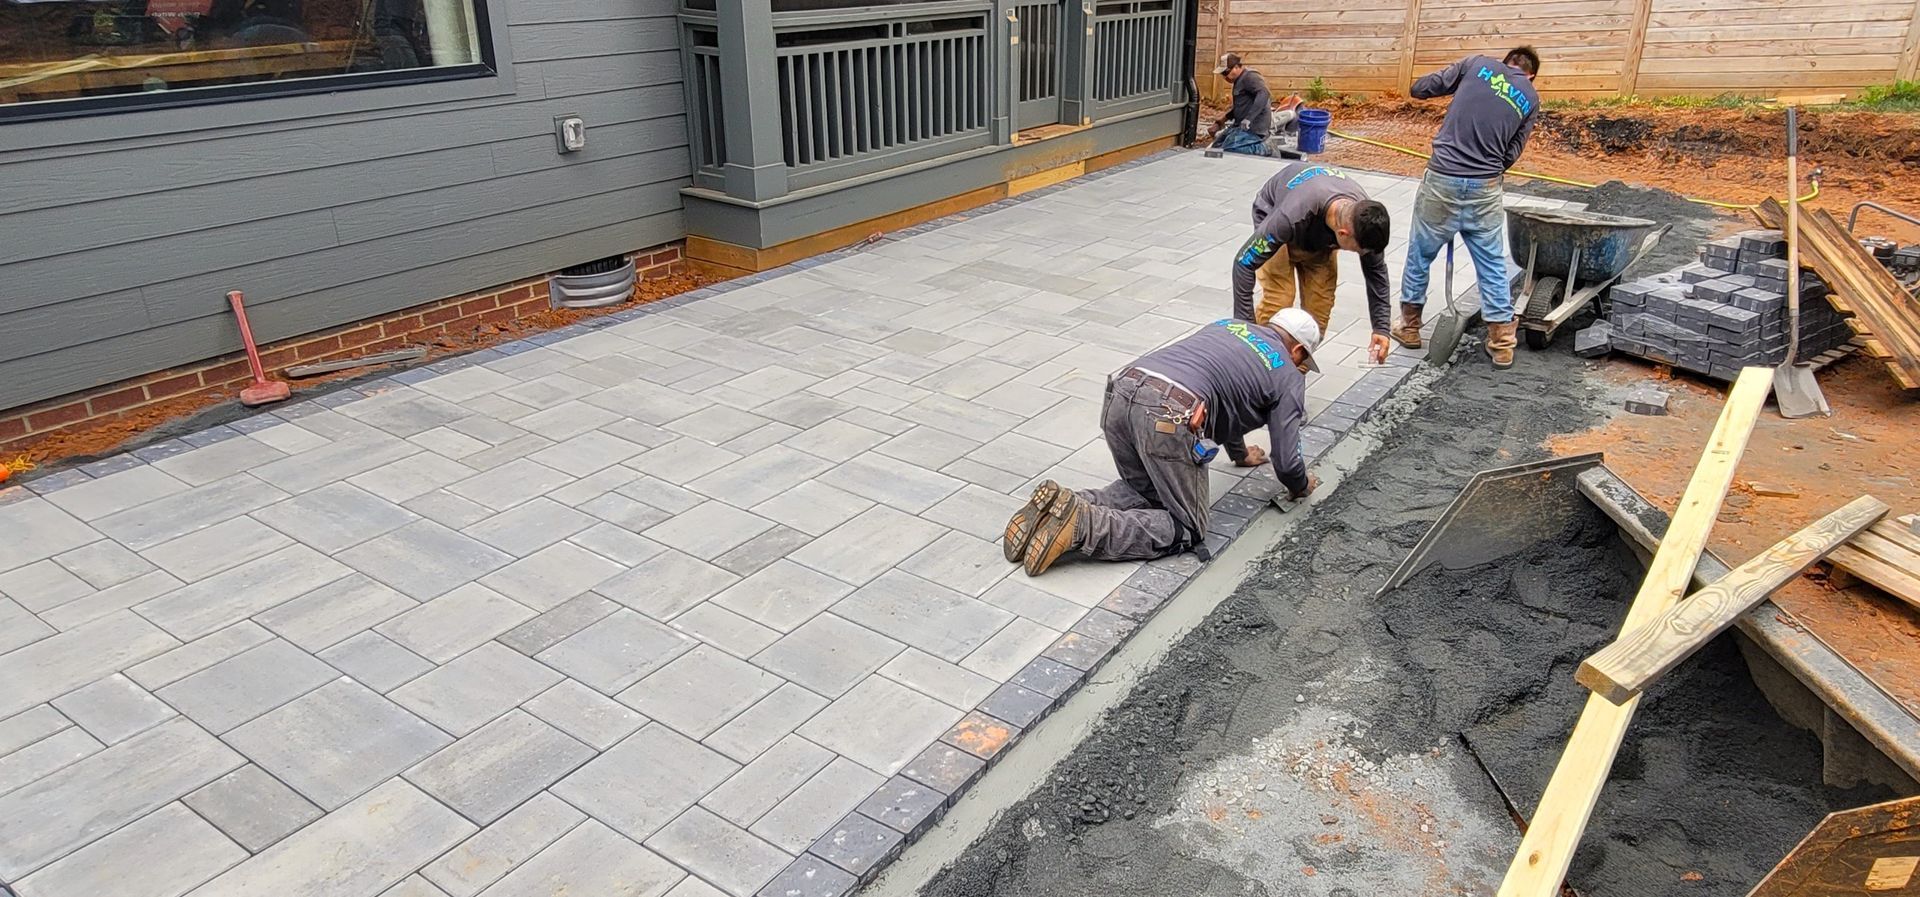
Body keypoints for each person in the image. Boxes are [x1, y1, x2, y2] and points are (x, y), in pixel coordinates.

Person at [1004, 309, 1323, 576]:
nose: (1303, 368)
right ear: (1297, 350)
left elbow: (1230, 398)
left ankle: (1060, 505)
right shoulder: (1288, 375)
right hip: (1169, 415)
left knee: (1144, 491)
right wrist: (1300, 485)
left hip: (1123, 392)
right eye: (1305, 361)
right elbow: (1286, 459)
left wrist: (1239, 454)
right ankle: (1083, 524)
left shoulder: (1229, 326)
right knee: (1189, 526)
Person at [1392, 46, 1542, 370]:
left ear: (1508, 62)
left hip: (1443, 179)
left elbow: (1422, 89)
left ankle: (1410, 327)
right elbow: (1512, 153)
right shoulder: (1530, 97)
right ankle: (1502, 343)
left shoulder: (1477, 65)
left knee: (1420, 253)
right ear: (1530, 74)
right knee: (1491, 263)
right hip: (1485, 187)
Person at [1233, 162, 1395, 365]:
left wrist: (1381, 328)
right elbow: (1243, 263)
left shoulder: (1364, 221)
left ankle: (1291, 376)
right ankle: (1257, 363)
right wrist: (1244, 329)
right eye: (1357, 250)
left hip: (1317, 236)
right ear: (1343, 234)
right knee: (1280, 296)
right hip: (1276, 217)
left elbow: (1376, 271)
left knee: (1317, 315)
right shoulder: (1286, 218)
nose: (1363, 255)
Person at [1210, 53, 1272, 156]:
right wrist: (1221, 121)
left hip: (1254, 130)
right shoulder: (1239, 81)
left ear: (1236, 67)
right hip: (1240, 127)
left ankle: (1264, 148)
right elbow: (1240, 106)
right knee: (1217, 147)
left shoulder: (1250, 77)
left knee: (1229, 151)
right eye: (1223, 74)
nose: (1225, 77)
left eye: (1226, 72)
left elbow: (1264, 93)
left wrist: (1249, 119)